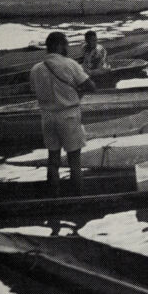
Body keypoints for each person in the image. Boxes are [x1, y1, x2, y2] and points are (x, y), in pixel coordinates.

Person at [29, 31, 96, 193]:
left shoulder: (36, 69)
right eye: (65, 44)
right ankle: (78, 198)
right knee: (74, 161)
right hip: (68, 116)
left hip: (47, 117)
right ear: (59, 45)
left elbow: (34, 91)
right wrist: (76, 93)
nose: (67, 48)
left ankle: (54, 197)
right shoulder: (70, 64)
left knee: (53, 159)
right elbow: (91, 86)